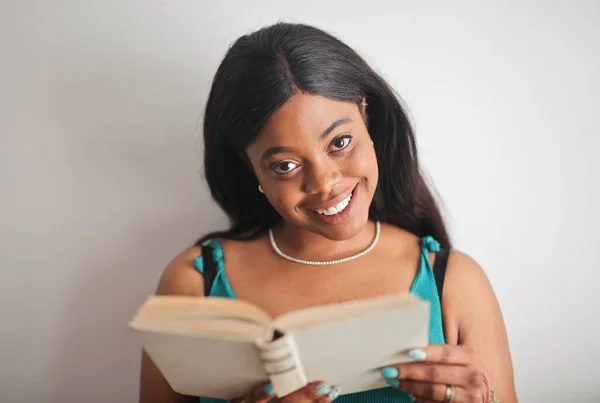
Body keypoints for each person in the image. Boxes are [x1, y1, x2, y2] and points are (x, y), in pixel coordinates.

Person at [139, 22, 517, 403]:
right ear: (250, 168)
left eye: (340, 142)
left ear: (366, 115)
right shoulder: (191, 287)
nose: (324, 183)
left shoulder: (454, 283)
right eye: (284, 166)